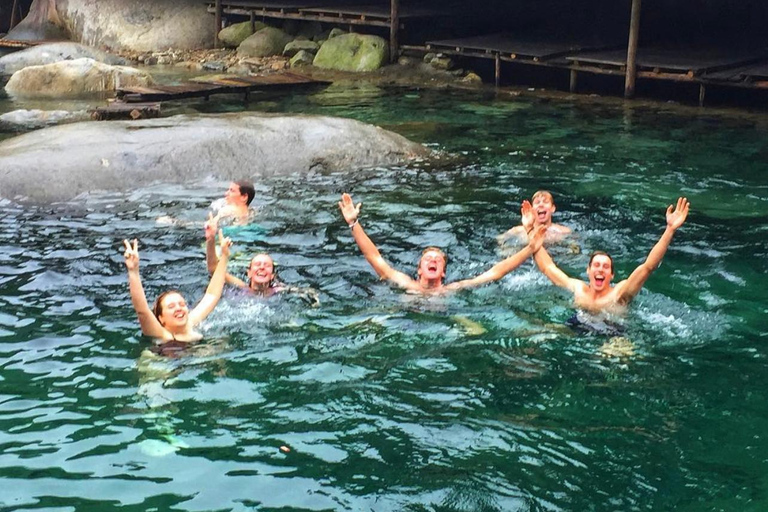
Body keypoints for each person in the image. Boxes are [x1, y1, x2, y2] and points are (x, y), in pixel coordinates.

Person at [338, 193, 546, 295]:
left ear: (443, 273)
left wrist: (530, 248)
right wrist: (353, 223)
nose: (433, 260)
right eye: (428, 258)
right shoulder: (405, 283)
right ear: (419, 270)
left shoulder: (450, 289)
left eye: (437, 260)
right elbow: (374, 257)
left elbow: (495, 272)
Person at [534, 197, 690, 314]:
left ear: (612, 275)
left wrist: (670, 230)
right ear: (588, 271)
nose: (600, 269)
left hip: (613, 331)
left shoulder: (619, 293)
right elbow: (548, 267)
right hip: (579, 325)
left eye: (606, 267)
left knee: (614, 351)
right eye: (596, 265)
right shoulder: (578, 289)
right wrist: (530, 230)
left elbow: (648, 267)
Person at [123, 230, 231, 343]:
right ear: (161, 318)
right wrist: (133, 271)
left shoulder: (190, 322)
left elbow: (211, 295)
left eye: (182, 304)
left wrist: (224, 256)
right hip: (163, 357)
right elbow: (142, 310)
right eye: (171, 307)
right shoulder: (160, 334)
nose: (178, 308)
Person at [204, 214, 320, 305]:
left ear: (272, 276)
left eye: (267, 265)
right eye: (258, 264)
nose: (262, 267)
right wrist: (210, 239)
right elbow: (214, 270)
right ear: (249, 273)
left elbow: (308, 291)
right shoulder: (241, 286)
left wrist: (314, 299)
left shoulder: (279, 290)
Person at [499, 190, 571, 244]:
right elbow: (500, 240)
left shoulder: (564, 232)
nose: (541, 205)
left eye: (545, 202)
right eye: (537, 202)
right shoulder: (517, 231)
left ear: (553, 208)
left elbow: (574, 248)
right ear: (532, 209)